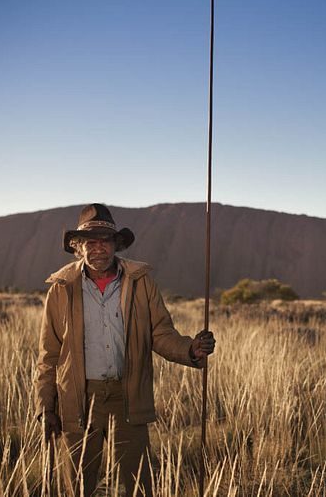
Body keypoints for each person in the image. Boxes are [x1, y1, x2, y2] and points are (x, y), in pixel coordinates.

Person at [34, 203, 215, 496]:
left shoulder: (140, 283)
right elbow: (49, 355)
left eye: (104, 241)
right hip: (78, 400)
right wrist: (46, 405)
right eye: (89, 242)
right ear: (78, 247)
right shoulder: (61, 288)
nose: (97, 248)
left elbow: (160, 333)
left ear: (116, 245)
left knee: (136, 485)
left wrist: (190, 349)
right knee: (78, 486)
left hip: (127, 397)